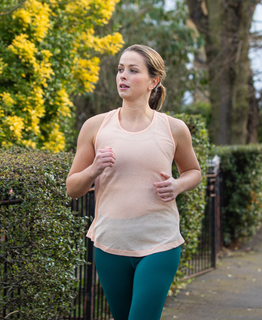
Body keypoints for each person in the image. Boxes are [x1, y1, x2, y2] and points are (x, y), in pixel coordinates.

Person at [66, 44, 202, 320]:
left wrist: (177, 185)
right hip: (110, 244)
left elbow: (193, 172)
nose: (122, 76)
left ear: (154, 81)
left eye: (132, 70)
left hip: (159, 244)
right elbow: (73, 188)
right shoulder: (95, 126)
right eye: (120, 70)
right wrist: (93, 170)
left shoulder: (173, 128)